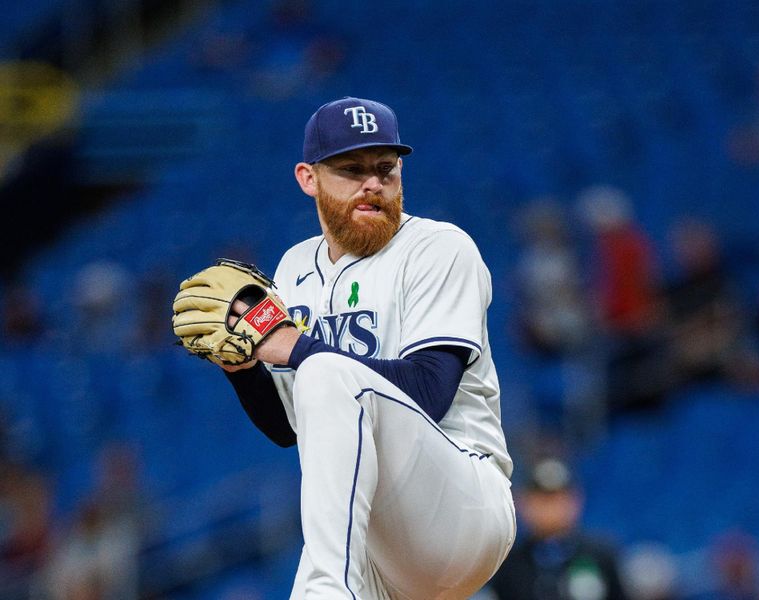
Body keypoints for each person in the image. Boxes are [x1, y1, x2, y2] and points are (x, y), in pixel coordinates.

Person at [196, 97, 516, 598]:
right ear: (308, 178)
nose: (373, 183)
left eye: (385, 169)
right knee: (323, 379)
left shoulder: (438, 248)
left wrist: (296, 348)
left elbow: (430, 391)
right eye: (351, 169)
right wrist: (241, 367)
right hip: (370, 537)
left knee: (325, 371)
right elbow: (289, 429)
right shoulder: (293, 268)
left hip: (460, 505)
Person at [488, 457, 628, 600]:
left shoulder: (601, 556)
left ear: (575, 501)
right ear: (523, 503)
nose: (550, 509)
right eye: (541, 500)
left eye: (556, 498)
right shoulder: (509, 562)